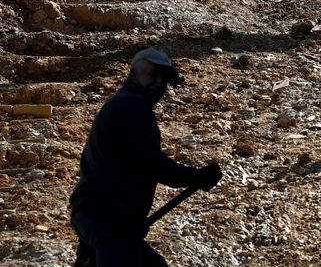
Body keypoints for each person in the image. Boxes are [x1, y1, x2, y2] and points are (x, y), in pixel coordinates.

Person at [70, 47, 223, 266]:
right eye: (153, 75)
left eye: (164, 79)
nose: (159, 83)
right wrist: (195, 176)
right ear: (133, 73)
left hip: (104, 218)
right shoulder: (130, 105)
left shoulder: (123, 104)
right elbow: (150, 162)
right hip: (105, 218)